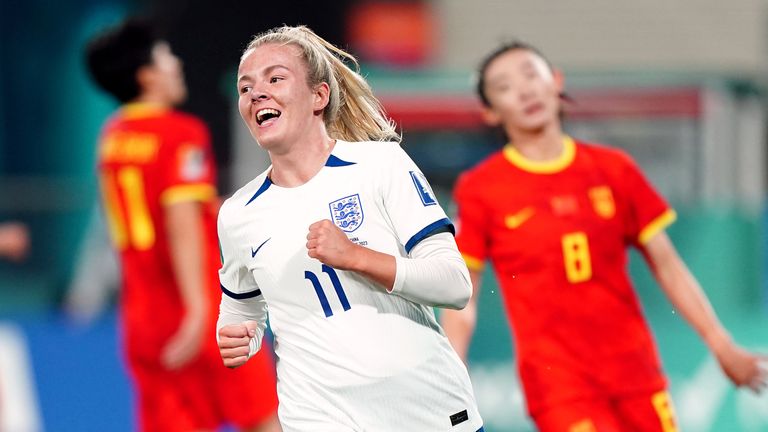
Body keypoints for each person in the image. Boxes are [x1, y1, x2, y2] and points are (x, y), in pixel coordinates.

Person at [441, 41, 768, 432]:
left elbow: (667, 265)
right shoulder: (482, 188)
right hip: (559, 384)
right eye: (505, 86)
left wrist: (721, 345)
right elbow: (464, 294)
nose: (525, 90)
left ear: (556, 80)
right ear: (490, 112)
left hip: (636, 372)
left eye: (531, 74)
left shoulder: (613, 169)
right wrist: (454, 373)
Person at [216, 25, 484, 431]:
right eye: (245, 87)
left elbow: (455, 285)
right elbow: (242, 308)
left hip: (429, 413)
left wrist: (357, 257)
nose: (256, 94)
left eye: (275, 78)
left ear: (319, 96)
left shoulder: (381, 165)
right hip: (318, 419)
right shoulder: (238, 214)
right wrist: (240, 336)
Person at [85, 18, 280, 432]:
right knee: (264, 419)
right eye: (165, 56)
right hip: (201, 309)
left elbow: (168, 209)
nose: (177, 64)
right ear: (147, 75)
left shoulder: (113, 136)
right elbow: (180, 224)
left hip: (142, 320)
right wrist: (197, 310)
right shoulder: (180, 134)